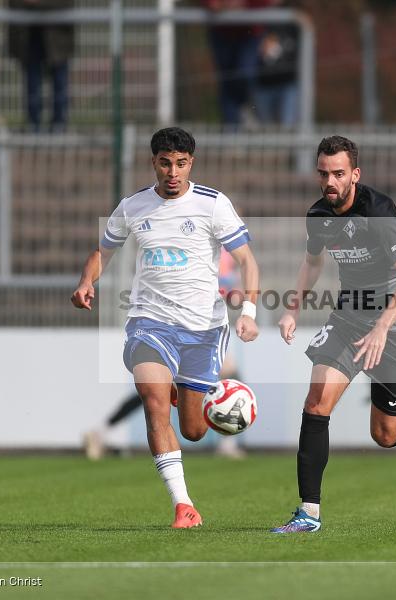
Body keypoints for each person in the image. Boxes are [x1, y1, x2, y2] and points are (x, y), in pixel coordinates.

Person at [71, 127, 260, 529]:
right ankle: (183, 505)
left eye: (181, 164)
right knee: (153, 401)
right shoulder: (133, 206)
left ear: (191, 163)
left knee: (194, 430)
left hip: (204, 329)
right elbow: (102, 252)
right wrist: (87, 281)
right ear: (153, 162)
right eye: (165, 163)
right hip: (150, 322)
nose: (173, 172)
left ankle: (183, 391)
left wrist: (249, 312)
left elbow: (247, 261)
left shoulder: (213, 204)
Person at [271, 136, 396, 534]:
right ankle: (308, 513)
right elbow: (312, 263)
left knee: (385, 433)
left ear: (355, 174)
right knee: (316, 403)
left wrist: (382, 326)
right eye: (323, 174)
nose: (329, 182)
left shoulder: (378, 211)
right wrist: (292, 308)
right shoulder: (318, 215)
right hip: (348, 320)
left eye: (338, 174)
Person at [83, 248, 248, 460]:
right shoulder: (209, 248)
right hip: (189, 328)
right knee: (158, 390)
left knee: (159, 390)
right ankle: (227, 443)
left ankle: (101, 431)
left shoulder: (225, 251)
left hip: (205, 326)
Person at [202, 0, 276, 127]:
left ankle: (247, 107)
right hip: (222, 33)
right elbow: (212, 4)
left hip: (250, 33)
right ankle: (231, 130)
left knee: (245, 74)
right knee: (227, 83)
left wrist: (243, 4)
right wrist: (214, 3)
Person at [7, 0, 75, 133]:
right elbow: (15, 4)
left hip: (58, 38)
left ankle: (59, 127)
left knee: (60, 84)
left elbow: (65, 4)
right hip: (30, 37)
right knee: (33, 85)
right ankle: (34, 127)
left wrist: (36, 3)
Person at [255, 23, 299, 127]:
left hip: (288, 83)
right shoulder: (259, 25)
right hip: (262, 85)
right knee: (265, 128)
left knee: (288, 125)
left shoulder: (294, 25)